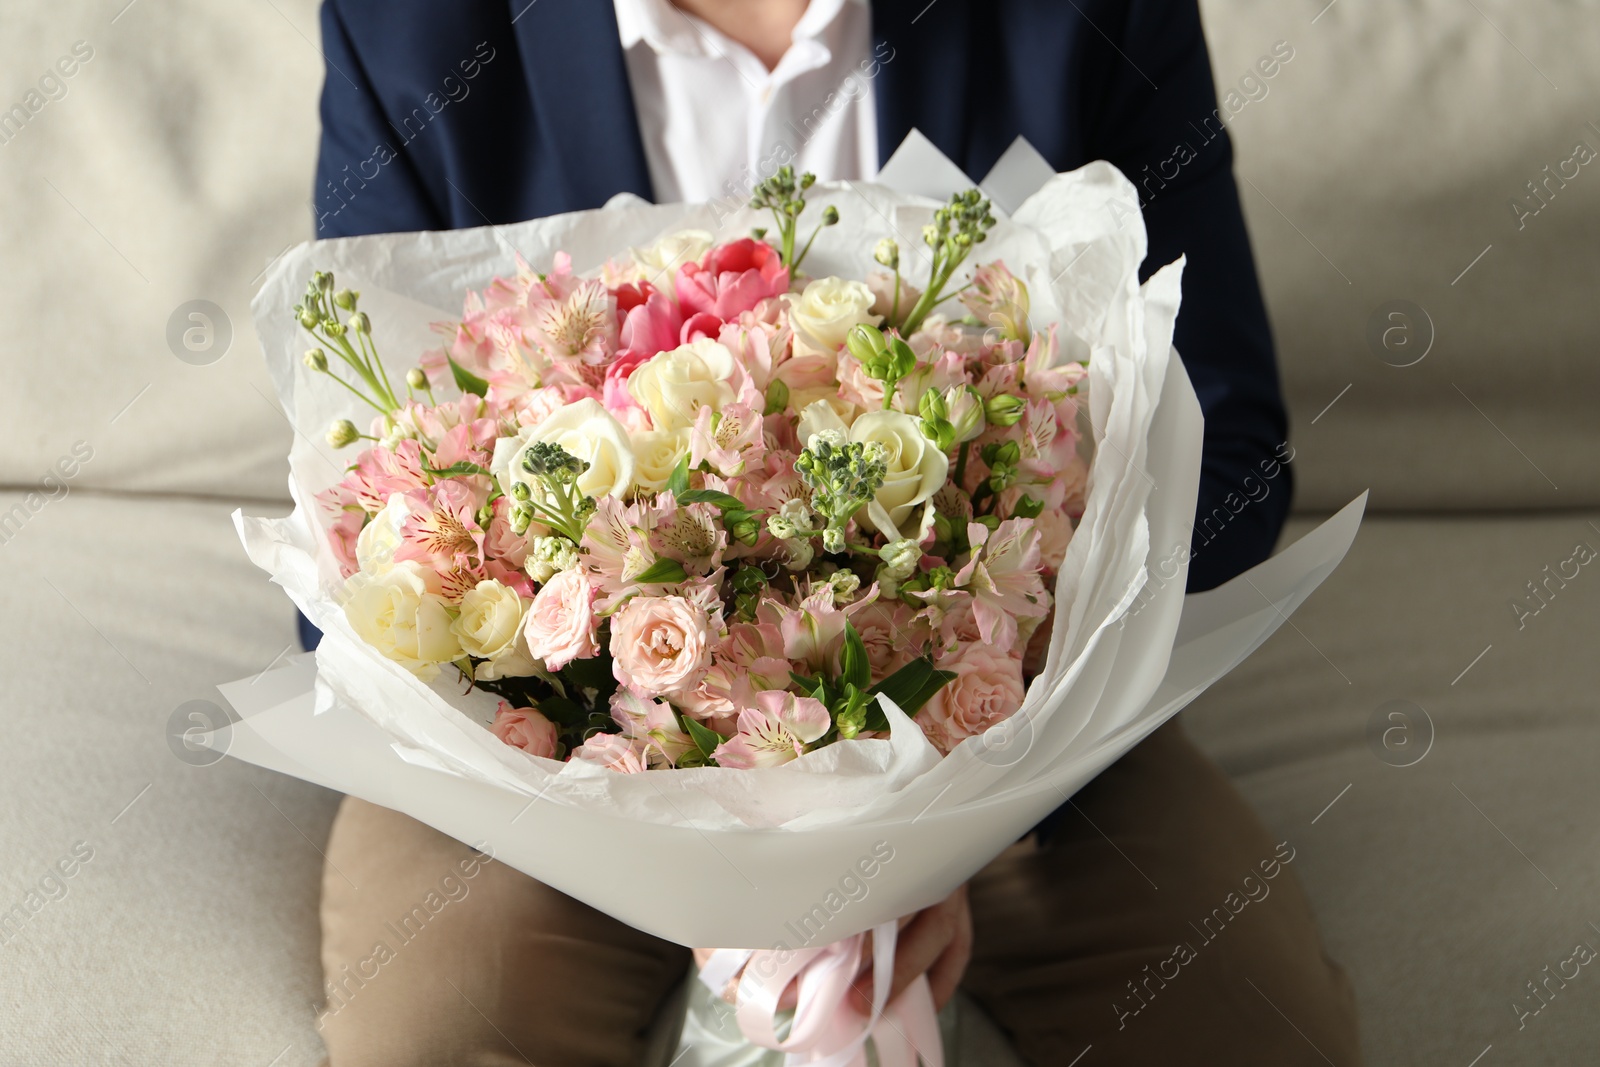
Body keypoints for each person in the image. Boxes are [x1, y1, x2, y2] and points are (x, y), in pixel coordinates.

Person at [306, 1, 1361, 1063]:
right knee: (435, 1038)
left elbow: (1227, 449)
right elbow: (351, 518)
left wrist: (927, 817)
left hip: (1012, 738)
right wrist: (676, 812)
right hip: (542, 764)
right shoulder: (414, 27)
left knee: (1257, 1033)